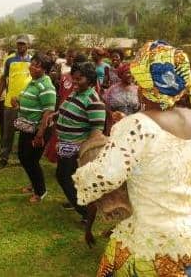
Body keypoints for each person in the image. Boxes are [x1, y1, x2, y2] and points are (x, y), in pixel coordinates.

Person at [73, 41, 191, 276]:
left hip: (154, 242)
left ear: (146, 85)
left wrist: (84, 171)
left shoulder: (137, 124)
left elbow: (103, 177)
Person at [55, 63, 105, 222]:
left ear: (90, 81)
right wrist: (56, 115)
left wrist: (83, 152)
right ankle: (79, 203)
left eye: (79, 79)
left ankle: (86, 212)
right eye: (73, 78)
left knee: (65, 177)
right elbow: (67, 109)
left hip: (76, 149)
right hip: (66, 146)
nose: (74, 82)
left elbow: (97, 132)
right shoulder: (75, 93)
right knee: (66, 178)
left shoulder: (93, 100)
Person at [15, 53, 56, 202]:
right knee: (23, 156)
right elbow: (31, 102)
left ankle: (41, 191)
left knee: (31, 160)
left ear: (44, 69)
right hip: (27, 127)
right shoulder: (33, 82)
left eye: (37, 65)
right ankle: (34, 185)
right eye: (32, 63)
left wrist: (40, 134)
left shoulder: (46, 85)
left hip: (38, 129)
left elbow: (48, 112)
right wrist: (18, 103)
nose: (32, 67)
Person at [0, 34, 32, 169]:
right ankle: (4, 158)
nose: (20, 46)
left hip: (27, 104)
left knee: (26, 131)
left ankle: (24, 158)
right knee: (8, 132)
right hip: (10, 103)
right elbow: (3, 80)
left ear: (28, 45)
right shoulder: (9, 60)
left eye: (23, 44)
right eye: (19, 44)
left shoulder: (32, 61)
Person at [103, 63, 140, 134]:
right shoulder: (112, 89)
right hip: (116, 126)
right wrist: (112, 114)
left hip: (133, 127)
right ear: (121, 74)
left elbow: (141, 109)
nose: (131, 75)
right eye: (128, 72)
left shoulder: (138, 90)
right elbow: (105, 106)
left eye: (133, 73)